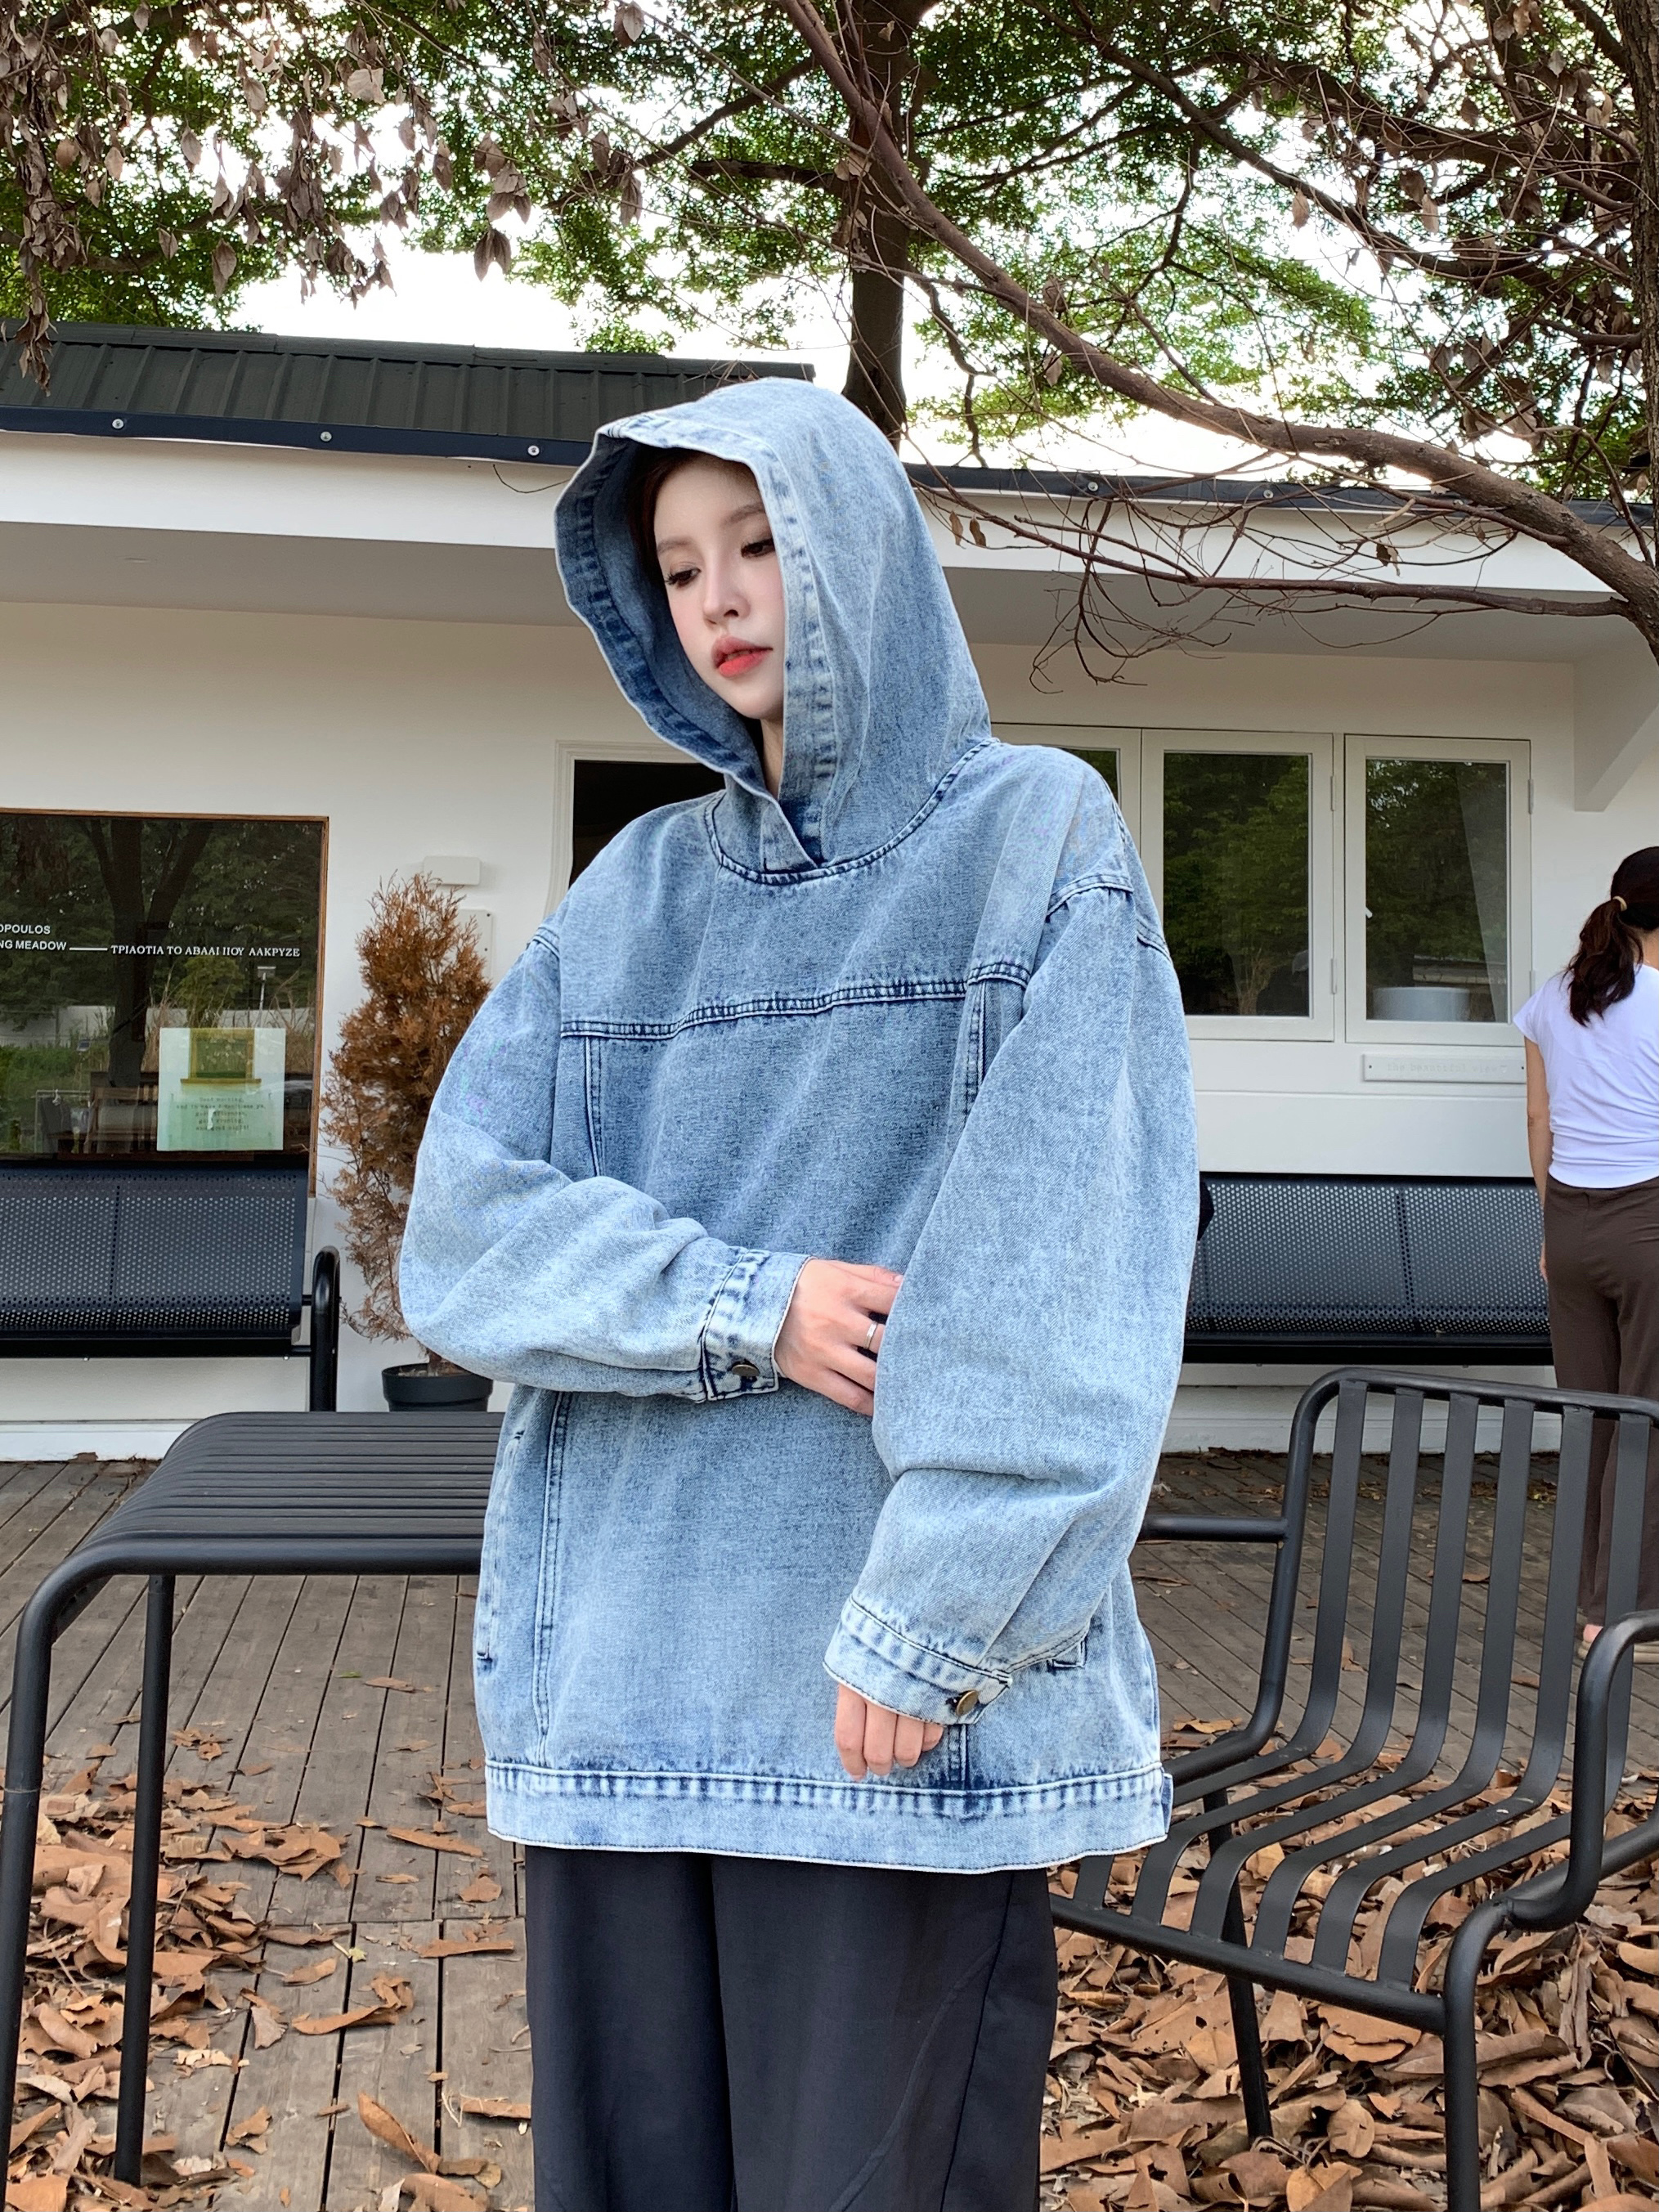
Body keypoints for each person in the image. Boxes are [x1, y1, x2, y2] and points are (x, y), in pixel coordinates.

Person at [399, 378, 1198, 2211]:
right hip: (623, 1692)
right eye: (679, 567)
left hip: (873, 1705)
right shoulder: (634, 892)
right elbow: (461, 1227)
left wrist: (937, 1618)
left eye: (758, 543)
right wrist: (742, 1301)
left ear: (858, 555)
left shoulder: (1035, 837)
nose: (720, 596)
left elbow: (1067, 1258)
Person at [1516, 847, 1659, 1639]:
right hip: (1649, 1222)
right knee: (1647, 1422)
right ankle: (1622, 1614)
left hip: (1569, 1223)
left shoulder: (1552, 999)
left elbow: (1538, 1120)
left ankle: (1587, 1606)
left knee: (1591, 1420)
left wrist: (1554, 1223)